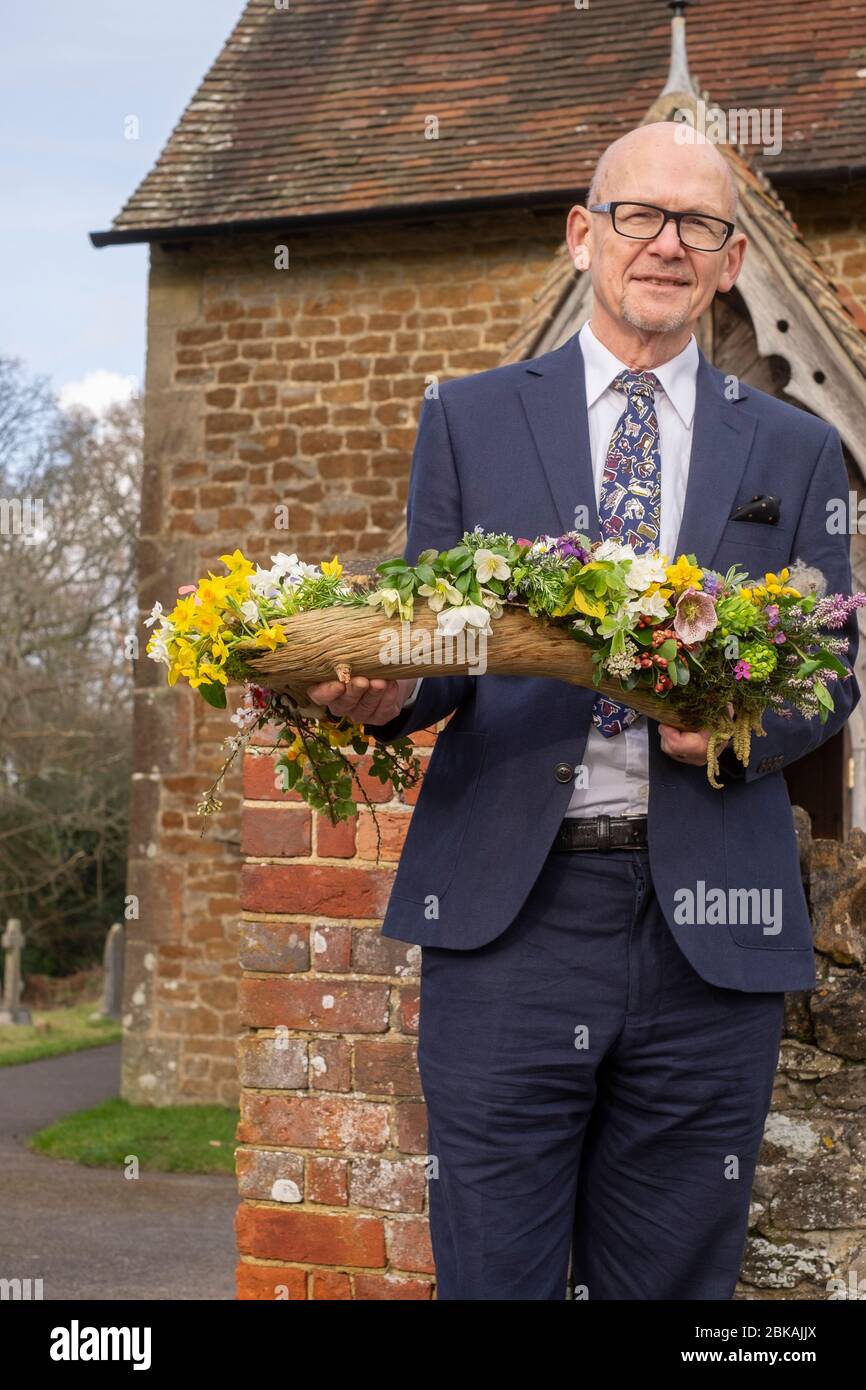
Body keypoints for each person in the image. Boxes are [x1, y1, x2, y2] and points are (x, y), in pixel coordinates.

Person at [306, 122, 860, 1300]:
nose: (664, 244)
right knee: (494, 1275)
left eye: (697, 225)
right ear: (581, 237)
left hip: (710, 932)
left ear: (728, 262)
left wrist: (743, 728)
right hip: (509, 922)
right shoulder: (466, 417)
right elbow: (441, 646)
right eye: (637, 217)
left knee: (673, 1287)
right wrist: (385, 693)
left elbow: (830, 667)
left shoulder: (799, 450)